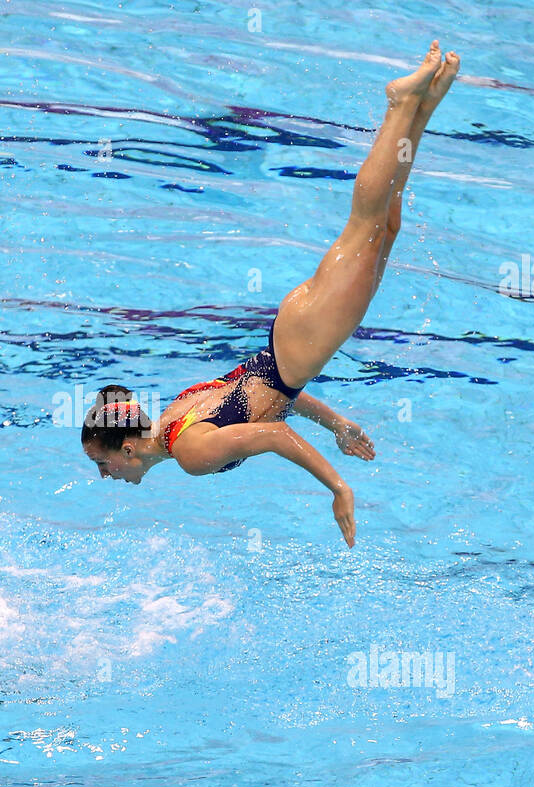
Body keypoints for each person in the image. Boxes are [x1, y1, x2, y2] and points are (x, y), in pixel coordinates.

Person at [81, 42, 460, 548]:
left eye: (102, 464)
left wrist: (338, 488)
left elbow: (275, 434)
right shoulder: (175, 414)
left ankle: (399, 104)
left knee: (367, 225)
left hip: (299, 346)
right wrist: (338, 424)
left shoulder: (190, 452)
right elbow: (267, 397)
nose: (105, 476)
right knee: (384, 227)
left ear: (127, 449)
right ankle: (422, 107)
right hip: (290, 340)